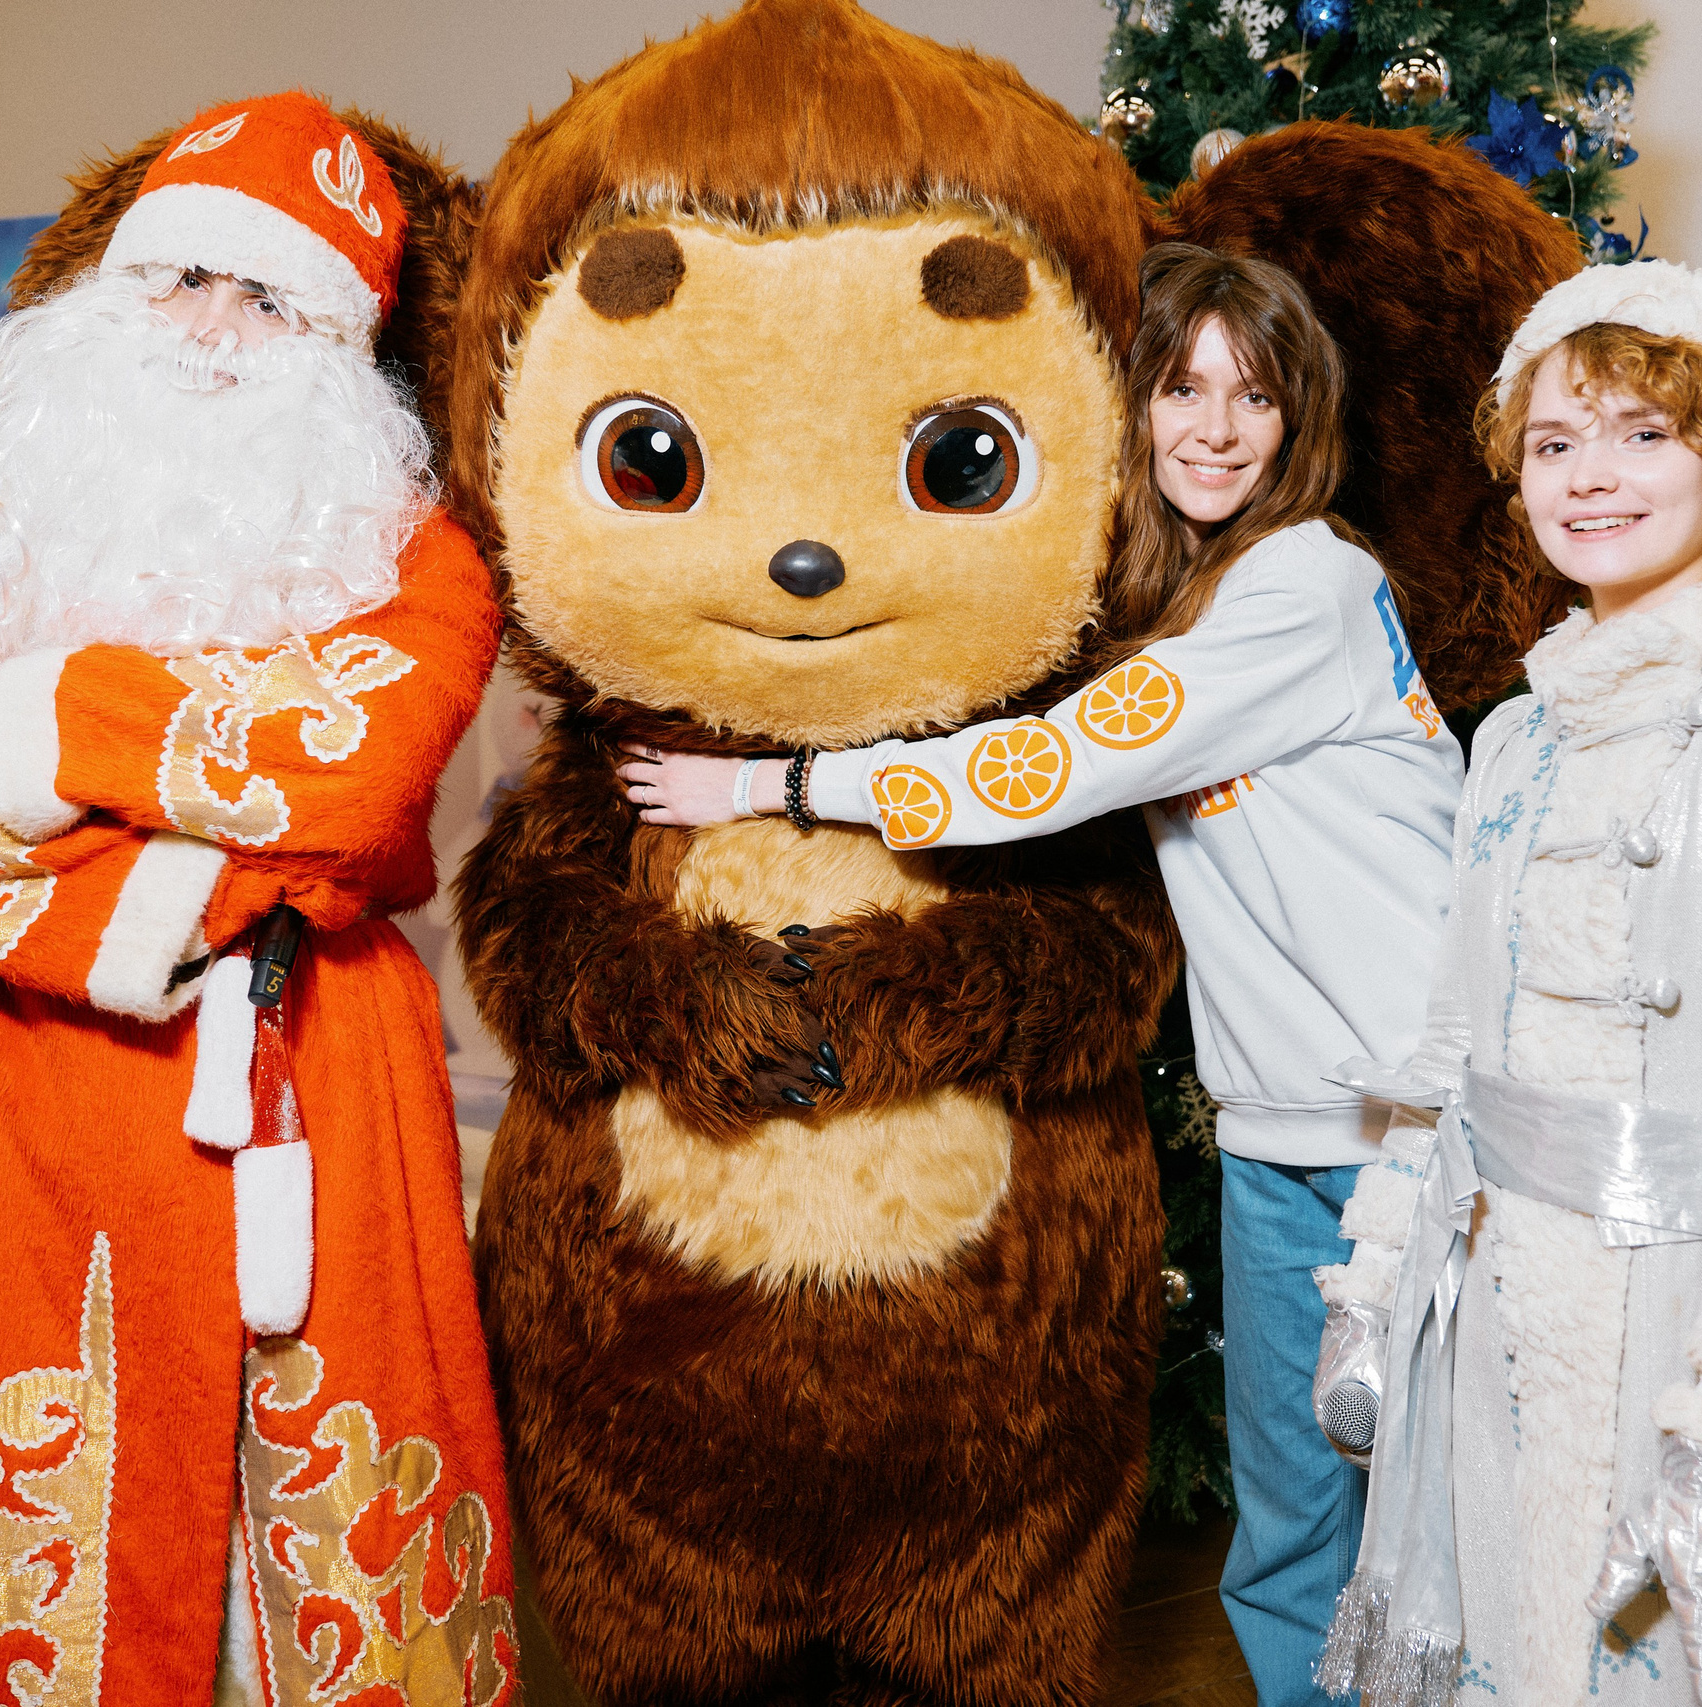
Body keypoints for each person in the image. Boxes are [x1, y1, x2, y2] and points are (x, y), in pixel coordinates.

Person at [618, 244, 1464, 1707]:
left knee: (1447, 1525)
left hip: (1430, 1143)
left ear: (1298, 419)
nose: (1214, 426)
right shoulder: (1196, 595)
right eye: (1180, 386)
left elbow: (1059, 762)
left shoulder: (1301, 585)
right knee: (1288, 1531)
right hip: (1279, 1139)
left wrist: (779, 781)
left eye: (1254, 396)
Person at [0, 93, 517, 1703]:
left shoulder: (421, 552)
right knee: (35, 1525)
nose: (211, 328)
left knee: (328, 1543)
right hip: (30, 1090)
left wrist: (40, 713)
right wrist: (160, 884)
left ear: (344, 352)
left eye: (271, 299)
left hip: (321, 1066)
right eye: (181, 277)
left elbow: (355, 768)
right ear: (104, 294)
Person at [1310, 263, 1702, 1707]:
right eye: (1554, 441)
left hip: (1696, 1319)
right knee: (1519, 1642)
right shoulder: (1517, 737)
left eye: (1643, 430)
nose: (1591, 476)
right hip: (1499, 1293)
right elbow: (1456, 1036)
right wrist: (1386, 1261)